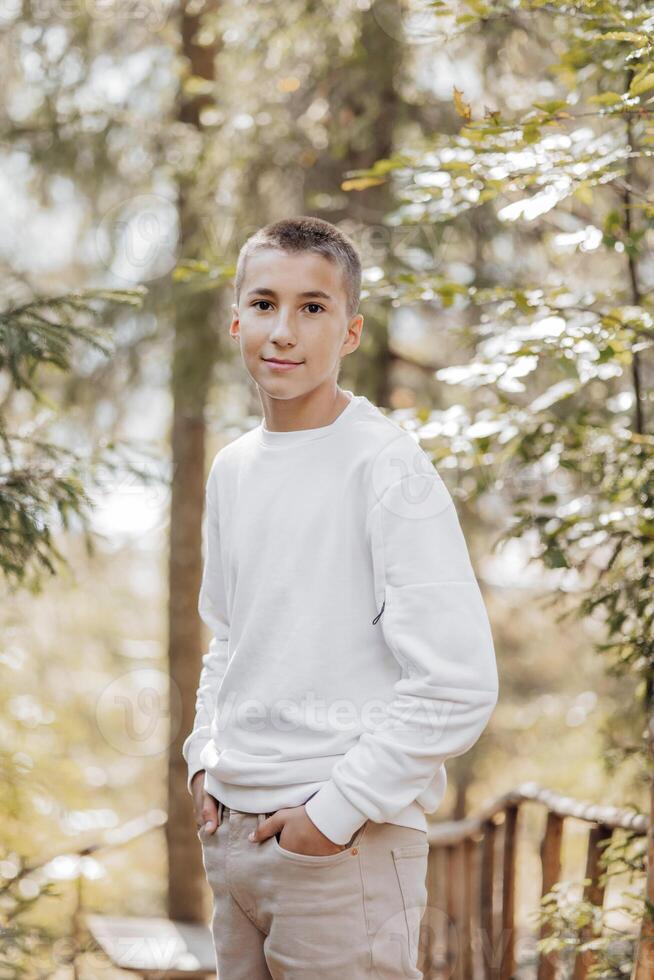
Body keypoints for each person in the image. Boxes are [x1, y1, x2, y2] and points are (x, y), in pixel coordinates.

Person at [182, 215, 499, 979]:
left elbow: (458, 684)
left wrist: (331, 816)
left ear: (351, 332)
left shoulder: (387, 467)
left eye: (313, 308)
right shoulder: (233, 468)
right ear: (235, 320)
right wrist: (204, 760)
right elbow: (230, 636)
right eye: (263, 304)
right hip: (234, 839)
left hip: (342, 848)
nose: (283, 330)